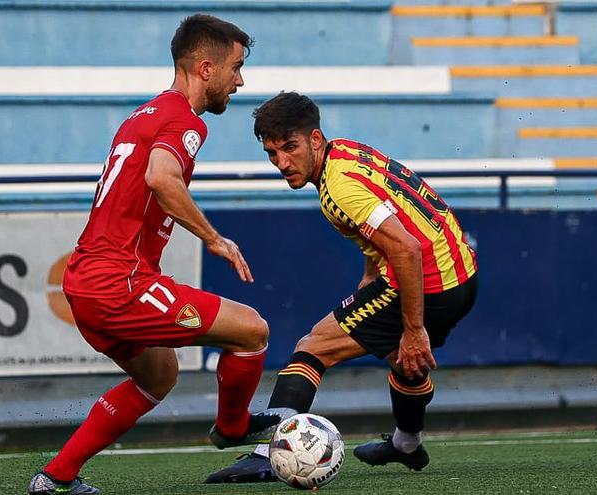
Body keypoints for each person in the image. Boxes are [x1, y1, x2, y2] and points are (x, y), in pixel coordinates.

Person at [26, 15, 279, 495]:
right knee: (252, 331)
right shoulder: (184, 122)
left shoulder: (143, 115)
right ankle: (231, 428)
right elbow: (161, 179)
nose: (240, 80)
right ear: (206, 68)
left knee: (159, 374)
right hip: (118, 283)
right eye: (236, 67)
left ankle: (55, 476)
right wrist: (213, 237)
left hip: (86, 280)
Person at [205, 91, 479, 483]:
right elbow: (387, 219)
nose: (282, 162)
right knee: (406, 362)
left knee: (313, 347)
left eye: (290, 148)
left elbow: (406, 247)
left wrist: (415, 328)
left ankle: (267, 455)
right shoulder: (347, 152)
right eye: (272, 153)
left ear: (315, 139)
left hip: (424, 278)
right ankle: (406, 445)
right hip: (462, 275)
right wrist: (371, 271)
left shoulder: (338, 187)